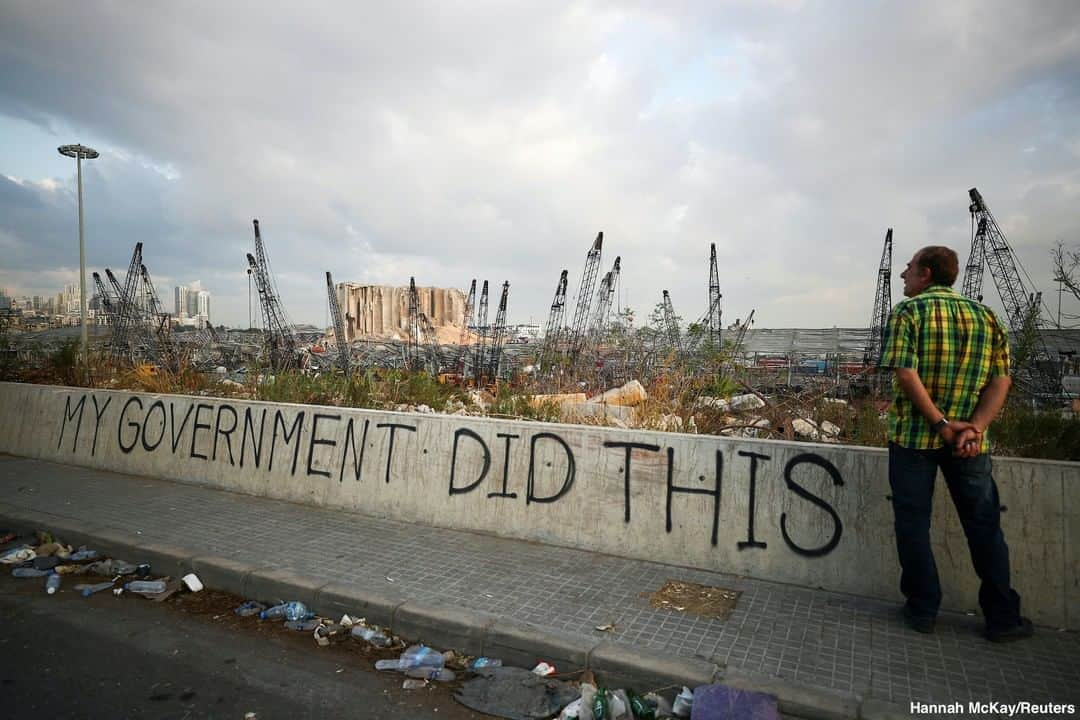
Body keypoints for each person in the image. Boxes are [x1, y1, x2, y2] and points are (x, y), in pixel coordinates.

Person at [879, 245, 1032, 642]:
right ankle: (1002, 617)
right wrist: (975, 427)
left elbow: (906, 374)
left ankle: (923, 609)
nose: (903, 276)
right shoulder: (987, 316)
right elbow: (1002, 380)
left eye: (909, 268)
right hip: (970, 445)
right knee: (984, 526)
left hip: (915, 439)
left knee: (913, 524)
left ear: (926, 273)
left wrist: (942, 424)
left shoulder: (909, 313)